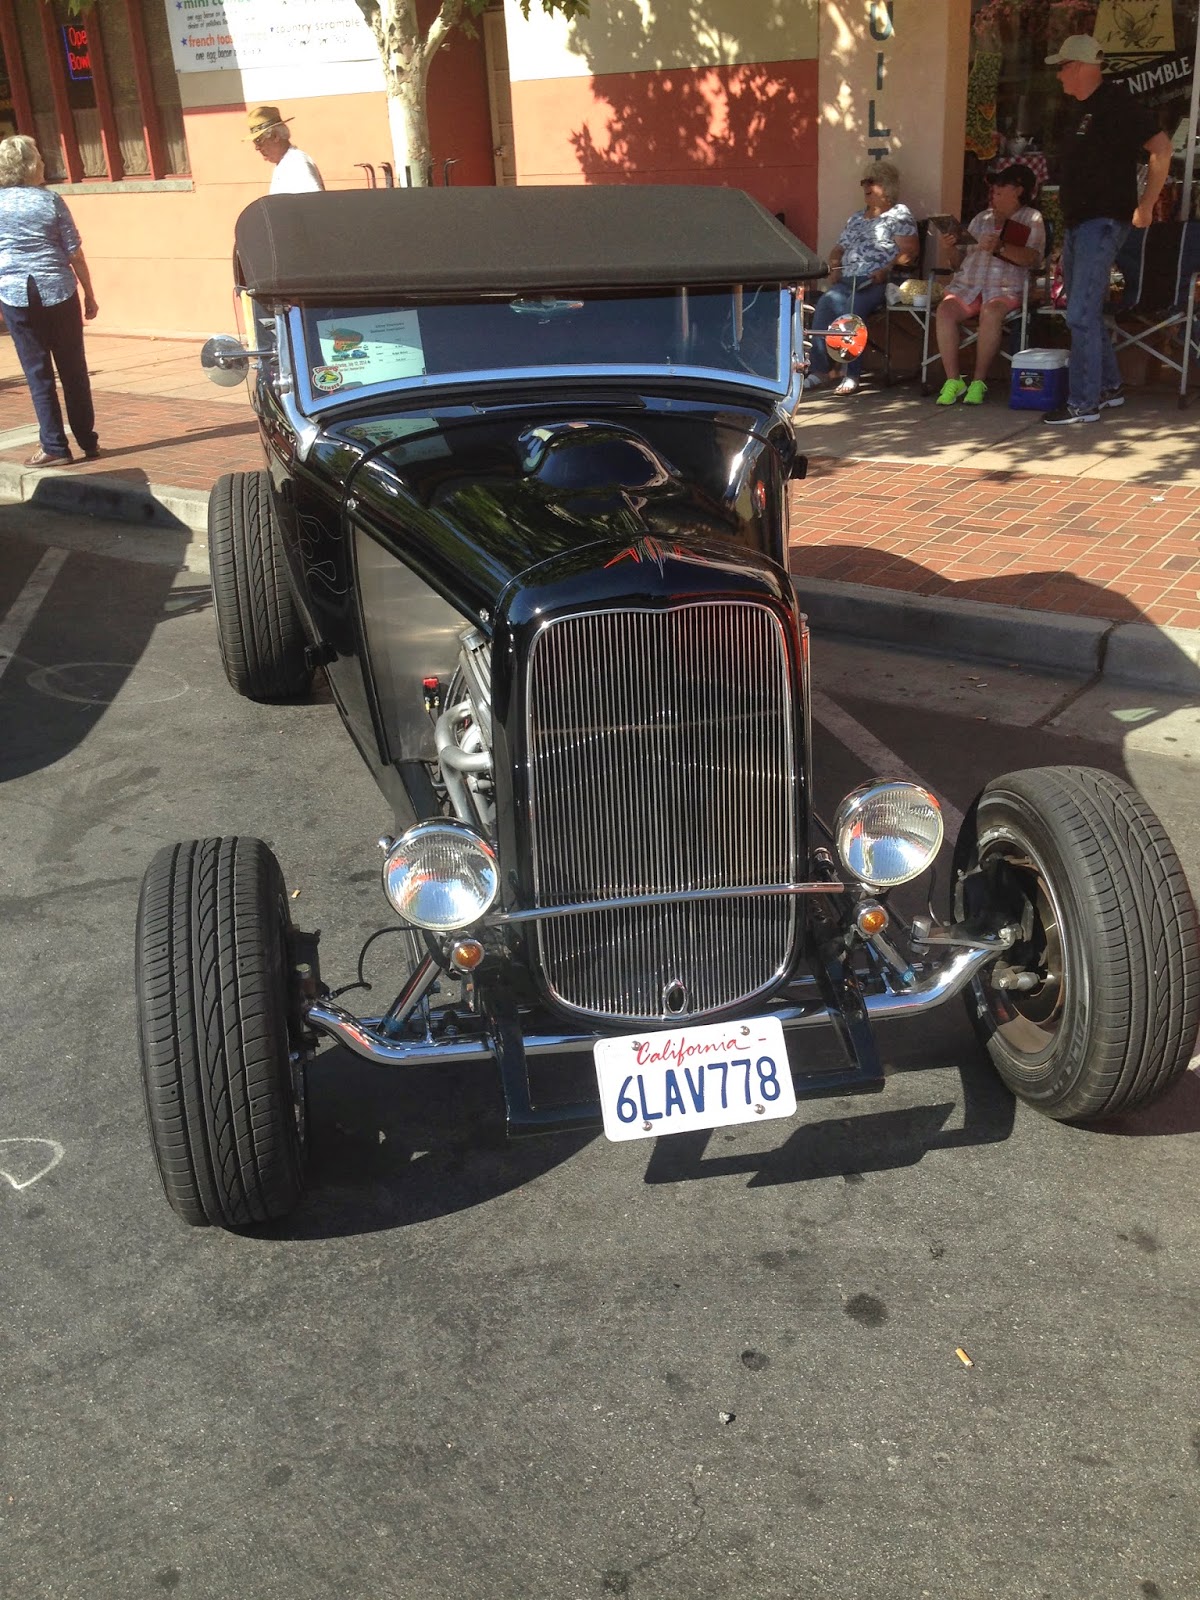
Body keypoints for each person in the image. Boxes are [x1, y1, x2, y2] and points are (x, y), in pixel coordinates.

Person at [1043, 34, 1172, 425]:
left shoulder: (1116, 104)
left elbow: (1162, 148)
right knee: (1085, 312)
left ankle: (1083, 404)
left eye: (1062, 66)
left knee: (1080, 313)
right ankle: (1110, 387)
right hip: (1080, 223)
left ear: (1080, 67)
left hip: (1102, 223)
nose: (1059, 75)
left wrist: (1147, 205)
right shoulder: (1080, 108)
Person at [0, 134, 99, 467]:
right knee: (74, 369)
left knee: (37, 371)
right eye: (39, 158)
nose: (43, 163)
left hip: (15, 294)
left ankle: (55, 446)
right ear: (29, 165)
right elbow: (75, 252)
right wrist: (89, 292)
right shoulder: (50, 200)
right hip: (58, 290)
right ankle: (87, 439)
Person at [933, 164, 1045, 406]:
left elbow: (1034, 259)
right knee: (945, 310)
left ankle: (978, 381)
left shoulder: (1031, 218)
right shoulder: (980, 218)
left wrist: (1001, 247)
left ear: (1018, 190)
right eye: (993, 190)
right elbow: (957, 264)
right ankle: (953, 380)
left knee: (991, 311)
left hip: (1005, 288)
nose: (994, 193)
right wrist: (950, 247)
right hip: (969, 285)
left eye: (1000, 189)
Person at [805, 159, 918, 397]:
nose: (865, 186)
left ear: (886, 186)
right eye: (863, 182)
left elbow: (909, 253)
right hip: (848, 279)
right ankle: (820, 371)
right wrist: (835, 265)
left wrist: (885, 269)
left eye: (871, 181)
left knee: (851, 308)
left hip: (877, 280)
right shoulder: (856, 218)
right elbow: (838, 248)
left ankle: (851, 374)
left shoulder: (899, 214)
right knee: (825, 304)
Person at [247, 106, 325, 195]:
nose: (257, 148)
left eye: (259, 141)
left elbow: (314, 203)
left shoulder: (297, 163)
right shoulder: (285, 162)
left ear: (275, 136)